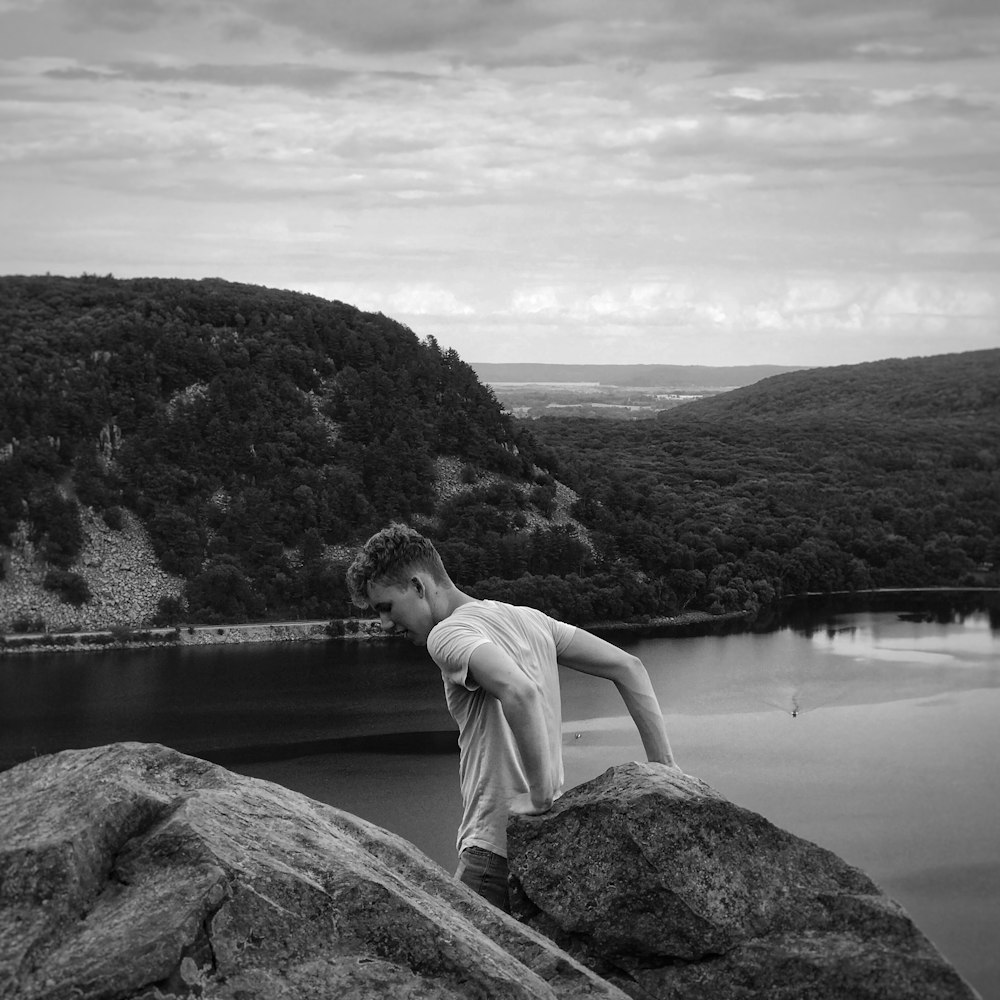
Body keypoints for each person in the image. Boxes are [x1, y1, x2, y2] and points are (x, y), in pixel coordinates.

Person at [346, 522, 679, 912]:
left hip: (492, 852)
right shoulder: (529, 618)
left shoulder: (447, 635)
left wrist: (538, 795)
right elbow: (629, 667)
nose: (385, 625)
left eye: (386, 607)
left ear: (419, 586)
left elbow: (517, 690)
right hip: (543, 845)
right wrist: (667, 770)